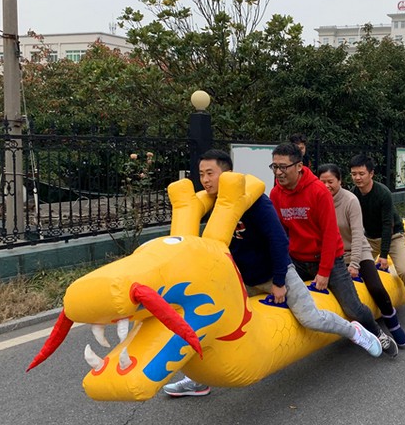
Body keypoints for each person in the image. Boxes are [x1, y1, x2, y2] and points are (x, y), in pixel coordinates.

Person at [163, 150, 383, 397]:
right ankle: (197, 379)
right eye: (201, 174)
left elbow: (278, 241)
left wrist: (279, 282)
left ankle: (355, 332)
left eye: (210, 174)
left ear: (227, 175)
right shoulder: (210, 204)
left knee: (311, 319)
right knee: (210, 318)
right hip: (243, 278)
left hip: (275, 273)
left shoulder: (256, 202)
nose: (205, 180)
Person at [270, 143, 399, 357]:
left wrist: (324, 272)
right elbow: (280, 234)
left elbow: (330, 234)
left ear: (299, 166)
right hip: (297, 260)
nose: (278, 172)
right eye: (274, 167)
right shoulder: (275, 194)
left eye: (283, 167)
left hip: (329, 259)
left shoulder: (318, 191)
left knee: (352, 307)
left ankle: (378, 333)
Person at [319, 163, 405, 347]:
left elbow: (358, 235)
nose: (327, 186)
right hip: (334, 254)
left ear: (340, 181)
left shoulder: (350, 200)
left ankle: (393, 323)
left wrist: (354, 264)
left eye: (330, 181)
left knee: (375, 287)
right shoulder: (317, 201)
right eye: (322, 182)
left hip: (358, 250)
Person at [349, 153, 405, 327]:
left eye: (361, 173)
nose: (357, 178)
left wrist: (383, 255)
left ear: (371, 174)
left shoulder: (383, 193)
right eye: (354, 174)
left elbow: (387, 225)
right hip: (369, 239)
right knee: (353, 269)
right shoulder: (353, 195)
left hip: (393, 236)